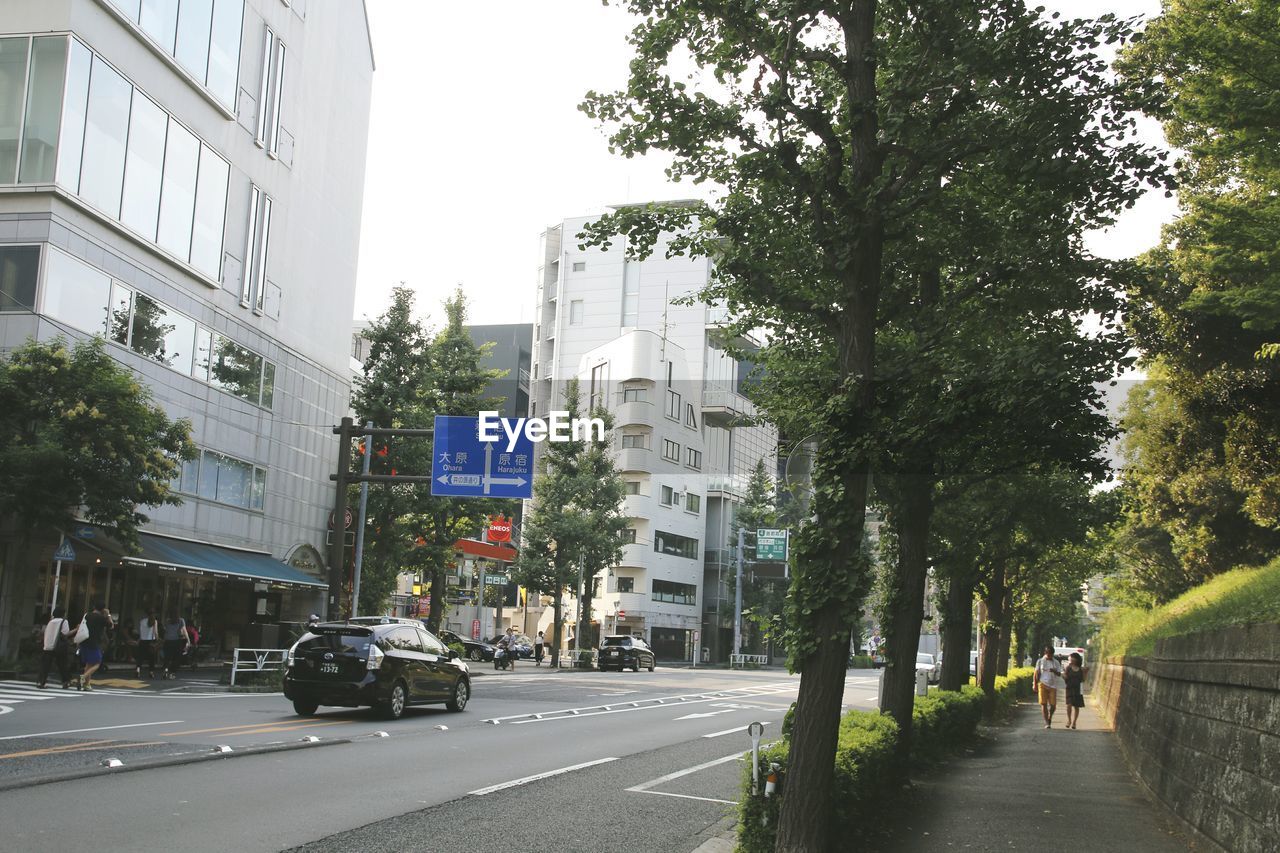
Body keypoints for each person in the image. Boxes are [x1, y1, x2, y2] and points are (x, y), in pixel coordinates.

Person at [79, 602, 114, 691]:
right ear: (103, 609)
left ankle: (87, 685)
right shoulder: (101, 618)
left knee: (89, 663)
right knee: (97, 663)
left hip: (84, 641)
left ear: (94, 607)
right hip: (94, 643)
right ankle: (83, 677)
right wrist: (108, 615)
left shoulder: (87, 615)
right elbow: (111, 626)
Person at [37, 608, 73, 689]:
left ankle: (41, 682)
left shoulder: (50, 622)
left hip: (48, 646)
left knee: (45, 665)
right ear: (63, 614)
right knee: (63, 664)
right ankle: (66, 682)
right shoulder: (64, 621)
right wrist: (76, 630)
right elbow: (65, 633)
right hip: (58, 646)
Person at [1033, 645, 1064, 729]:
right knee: (1043, 704)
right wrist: (1035, 684)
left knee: (1053, 705)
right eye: (1049, 654)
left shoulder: (1056, 662)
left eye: (1051, 654)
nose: (1050, 656)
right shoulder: (1040, 661)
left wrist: (1054, 671)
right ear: (1045, 653)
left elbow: (1059, 674)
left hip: (1053, 685)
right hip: (1042, 684)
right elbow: (1036, 673)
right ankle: (1047, 722)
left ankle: (1050, 717)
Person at [1063, 652, 1088, 729]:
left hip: (1078, 689)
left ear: (1076, 659)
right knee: (1069, 705)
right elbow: (1065, 678)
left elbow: (1083, 680)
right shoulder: (1068, 668)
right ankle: (1069, 720)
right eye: (1070, 658)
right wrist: (1062, 675)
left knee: (1076, 706)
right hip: (1069, 688)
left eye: (1071, 658)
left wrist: (1085, 672)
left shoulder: (1081, 669)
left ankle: (1074, 722)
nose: (1070, 659)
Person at [161, 611, 189, 680]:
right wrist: (188, 640)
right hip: (176, 641)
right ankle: (172, 673)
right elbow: (184, 631)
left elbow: (166, 631)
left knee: (167, 657)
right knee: (176, 658)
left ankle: (166, 670)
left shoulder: (167, 621)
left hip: (167, 641)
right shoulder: (181, 620)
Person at [136, 610, 158, 678]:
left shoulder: (142, 621)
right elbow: (156, 632)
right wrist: (157, 639)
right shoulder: (154, 621)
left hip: (142, 641)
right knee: (152, 658)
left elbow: (141, 631)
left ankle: (138, 670)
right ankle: (151, 672)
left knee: (140, 657)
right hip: (151, 642)